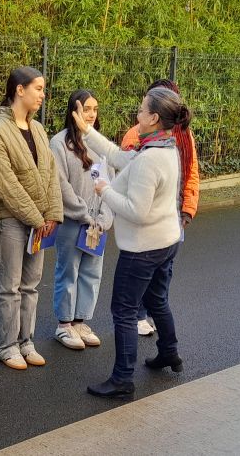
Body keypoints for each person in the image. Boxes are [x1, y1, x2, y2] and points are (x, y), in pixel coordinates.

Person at [72, 87, 192, 399]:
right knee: (157, 301)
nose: (137, 114)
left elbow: (136, 211)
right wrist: (87, 132)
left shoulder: (150, 159)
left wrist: (103, 190)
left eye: (141, 110)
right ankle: (169, 352)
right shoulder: (164, 147)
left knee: (123, 310)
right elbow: (116, 155)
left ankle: (123, 378)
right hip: (167, 241)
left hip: (143, 248)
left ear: (153, 118)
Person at [0, 66, 63, 370]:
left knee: (31, 285)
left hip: (40, 223)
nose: (43, 95)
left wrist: (53, 213)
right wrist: (34, 216)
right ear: (20, 90)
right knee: (9, 286)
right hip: (12, 221)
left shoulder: (39, 130)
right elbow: (5, 184)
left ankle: (26, 341)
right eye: (38, 89)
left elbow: (52, 173)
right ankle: (6, 346)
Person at [120, 79, 199, 337]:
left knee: (162, 275)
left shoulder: (185, 138)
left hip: (172, 217)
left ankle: (158, 341)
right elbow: (126, 173)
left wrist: (188, 208)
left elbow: (191, 172)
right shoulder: (136, 135)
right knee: (143, 273)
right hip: (150, 220)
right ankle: (142, 318)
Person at [49, 89, 114, 350]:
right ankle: (64, 324)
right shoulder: (59, 143)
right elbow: (60, 184)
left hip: (97, 224)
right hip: (72, 221)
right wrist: (84, 214)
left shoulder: (100, 143)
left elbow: (107, 181)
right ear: (74, 110)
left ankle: (80, 321)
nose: (91, 114)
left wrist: (103, 219)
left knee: (91, 272)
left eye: (95, 109)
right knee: (68, 271)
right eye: (86, 108)